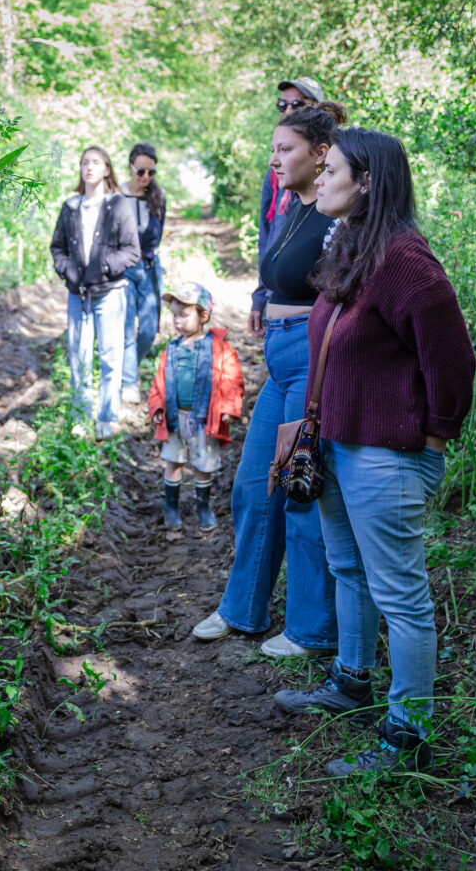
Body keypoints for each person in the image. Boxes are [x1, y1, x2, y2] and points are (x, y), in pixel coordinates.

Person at [271, 127, 475, 778]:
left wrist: (436, 434)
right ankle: (350, 682)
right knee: (349, 570)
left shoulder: (407, 263)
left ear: (367, 182)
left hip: (387, 454)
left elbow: (454, 362)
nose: (320, 179)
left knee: (402, 596)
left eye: (332, 170)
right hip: (339, 444)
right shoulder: (353, 251)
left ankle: (407, 735)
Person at [192, 100, 348, 657]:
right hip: (280, 360)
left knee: (300, 488)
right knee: (254, 486)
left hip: (312, 357)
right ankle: (243, 609)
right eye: (274, 149)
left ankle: (311, 629)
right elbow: (279, 272)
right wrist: (262, 295)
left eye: (286, 150)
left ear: (321, 153)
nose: (275, 159)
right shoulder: (293, 206)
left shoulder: (336, 215)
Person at [49, 146, 141, 438]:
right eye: (84, 162)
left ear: (107, 169)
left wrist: (104, 266)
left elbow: (132, 251)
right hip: (78, 295)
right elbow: (57, 247)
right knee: (79, 356)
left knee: (111, 358)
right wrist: (66, 269)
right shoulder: (71, 206)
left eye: (96, 162)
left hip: (110, 293)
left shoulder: (118, 205)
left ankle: (105, 419)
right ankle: (80, 418)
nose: (89, 167)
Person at [145, 282, 243, 528]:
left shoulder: (220, 349)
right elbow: (159, 382)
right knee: (173, 461)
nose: (178, 321)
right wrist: (157, 408)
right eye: (175, 315)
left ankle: (203, 507)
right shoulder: (172, 349)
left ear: (203, 316)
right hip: (175, 417)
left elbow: (232, 380)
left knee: (203, 464)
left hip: (204, 418)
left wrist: (229, 409)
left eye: (184, 315)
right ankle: (171, 508)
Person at [249, 75, 326, 339]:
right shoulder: (276, 175)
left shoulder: (335, 183)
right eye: (282, 105)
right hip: (277, 298)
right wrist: (261, 297)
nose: (288, 110)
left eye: (297, 104)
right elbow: (267, 237)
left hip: (308, 329)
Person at [120, 144, 167, 405]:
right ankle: (128, 380)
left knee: (149, 328)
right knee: (127, 326)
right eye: (140, 171)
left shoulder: (158, 198)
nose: (146, 177)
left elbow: (158, 234)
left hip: (149, 267)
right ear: (130, 168)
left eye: (151, 172)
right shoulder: (117, 196)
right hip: (123, 270)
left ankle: (129, 365)